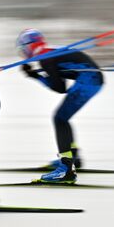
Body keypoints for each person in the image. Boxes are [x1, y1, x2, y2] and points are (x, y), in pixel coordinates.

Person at [16, 28, 104, 183]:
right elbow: (61, 79)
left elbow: (59, 88)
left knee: (60, 119)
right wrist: (38, 74)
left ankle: (66, 168)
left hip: (89, 80)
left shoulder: (45, 57)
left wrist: (35, 76)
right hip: (91, 78)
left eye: (22, 49)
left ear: (28, 46)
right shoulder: (48, 52)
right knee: (63, 118)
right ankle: (73, 158)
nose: (23, 53)